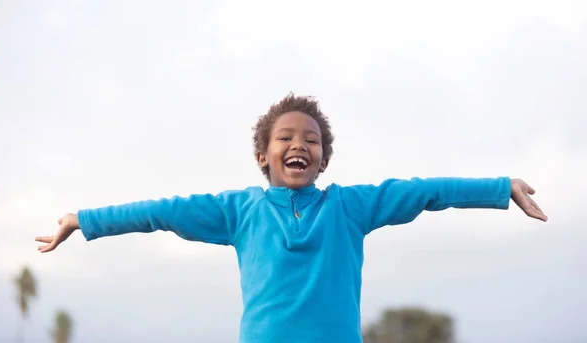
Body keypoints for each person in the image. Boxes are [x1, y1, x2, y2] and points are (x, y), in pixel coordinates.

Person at [35, 93, 548, 343]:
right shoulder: (238, 211)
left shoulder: (350, 206)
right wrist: (83, 219)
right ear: (264, 155)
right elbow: (159, 213)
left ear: (323, 159)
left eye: (311, 140)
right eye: (285, 138)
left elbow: (423, 193)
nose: (299, 144)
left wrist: (501, 188)